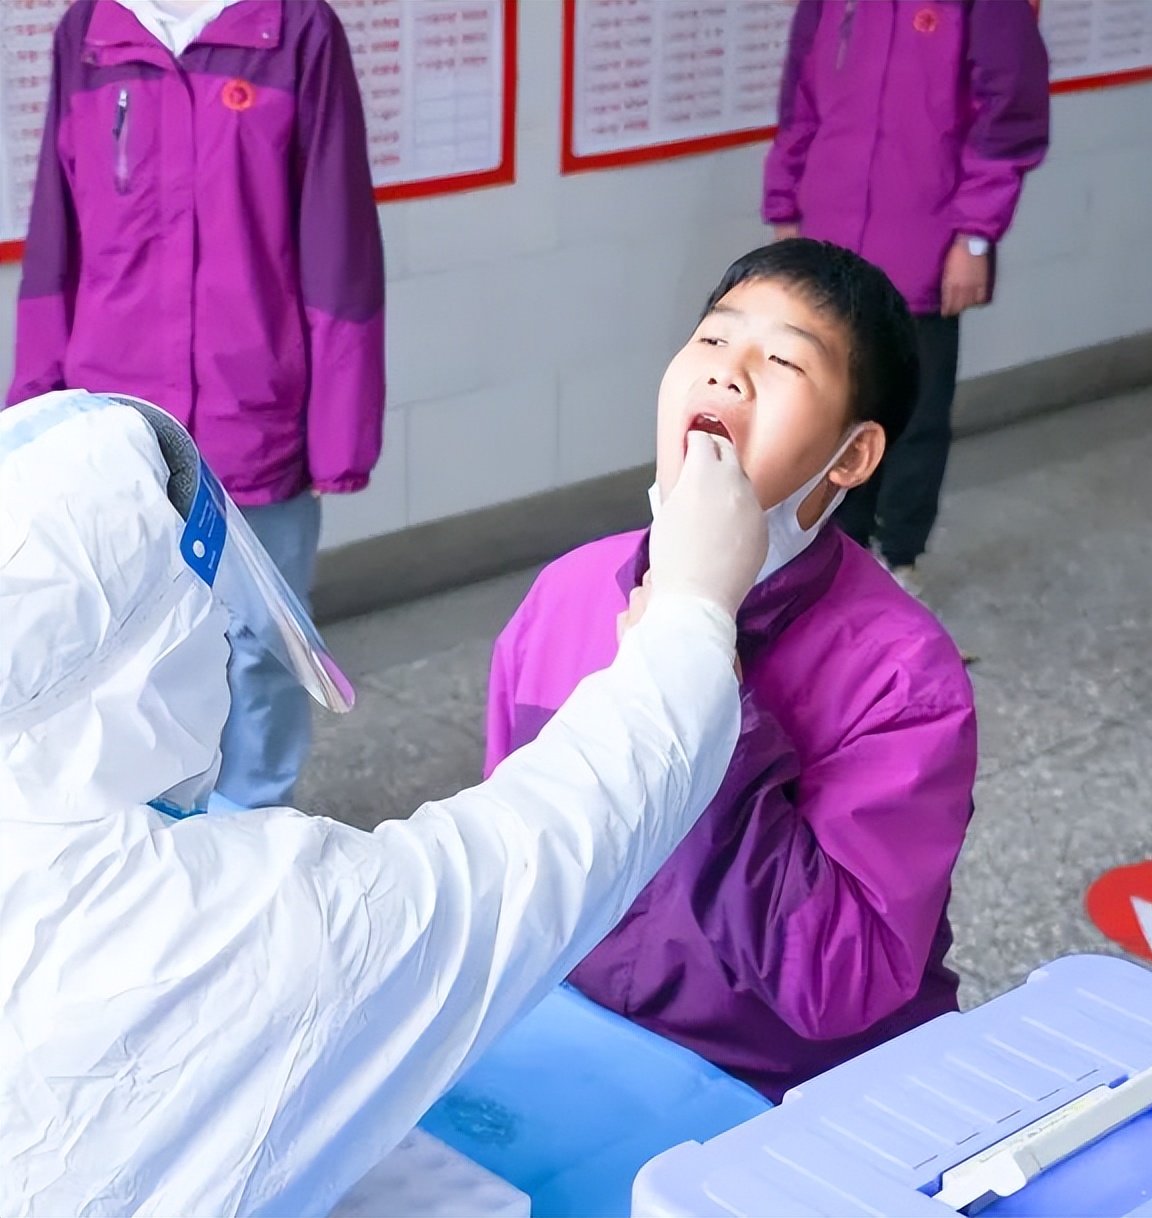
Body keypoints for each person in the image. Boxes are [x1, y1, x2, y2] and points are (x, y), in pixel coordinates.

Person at [0, 390, 766, 1217]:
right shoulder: (226, 923)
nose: (728, 383)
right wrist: (693, 614)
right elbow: (533, 861)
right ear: (149, 656)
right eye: (209, 621)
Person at [485, 239, 979, 1102]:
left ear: (852, 458)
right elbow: (514, 861)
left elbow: (840, 978)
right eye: (713, 340)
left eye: (784, 359)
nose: (727, 374)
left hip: (780, 1095)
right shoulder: (566, 596)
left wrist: (702, 671)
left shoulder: (903, 678)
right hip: (580, 1060)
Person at [5, 0, 385, 808]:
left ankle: (254, 829)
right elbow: (56, 228)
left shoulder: (294, 30)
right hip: (113, 418)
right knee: (115, 642)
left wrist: (338, 429)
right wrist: (38, 401)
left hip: (253, 408)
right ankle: (149, 850)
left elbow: (336, 233)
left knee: (259, 649)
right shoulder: (92, 32)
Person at [764, 0, 1050, 592]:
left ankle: (901, 557)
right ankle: (833, 553)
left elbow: (1010, 118)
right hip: (829, 239)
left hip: (926, 240)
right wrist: (785, 204)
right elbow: (800, 100)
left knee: (914, 415)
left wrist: (974, 237)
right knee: (827, 406)